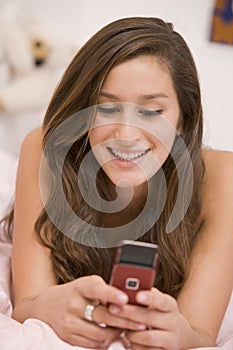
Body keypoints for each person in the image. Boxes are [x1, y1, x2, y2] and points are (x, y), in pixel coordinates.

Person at [9, 16, 233, 350]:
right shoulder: (45, 148)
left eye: (151, 112)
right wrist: (48, 306)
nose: (126, 135)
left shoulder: (222, 175)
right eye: (107, 107)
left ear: (183, 118)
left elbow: (199, 335)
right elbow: (28, 302)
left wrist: (175, 332)